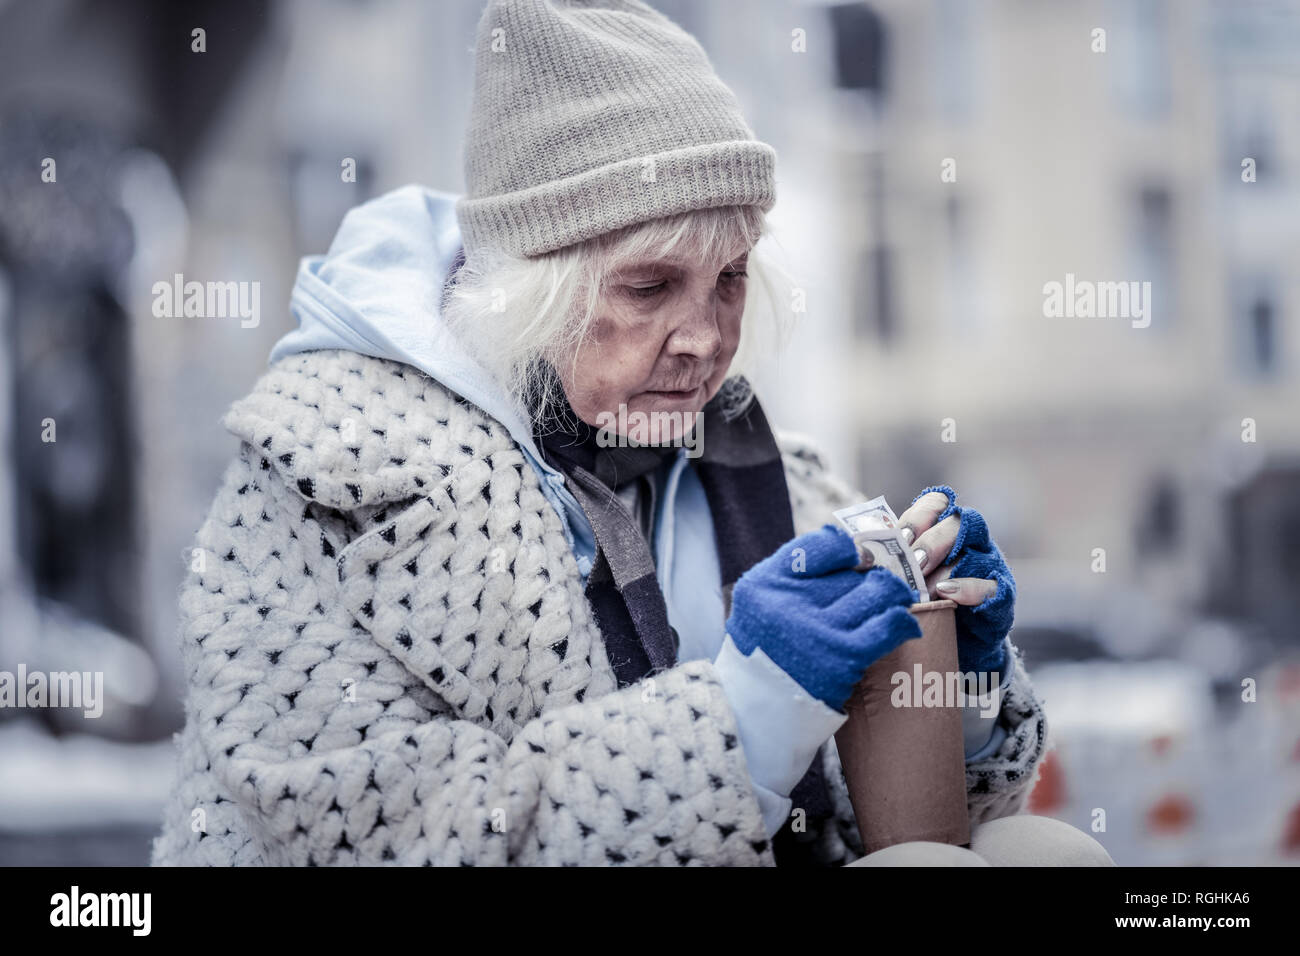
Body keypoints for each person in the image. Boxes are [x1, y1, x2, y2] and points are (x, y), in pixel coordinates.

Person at [151, 0, 1111, 867]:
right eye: (650, 287)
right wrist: (742, 718)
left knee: (1044, 857)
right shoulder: (320, 479)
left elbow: (894, 822)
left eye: (730, 280)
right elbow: (387, 838)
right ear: (530, 290)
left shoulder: (771, 473)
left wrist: (958, 695)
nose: (704, 340)